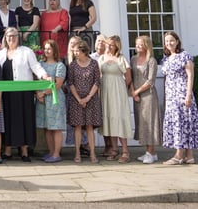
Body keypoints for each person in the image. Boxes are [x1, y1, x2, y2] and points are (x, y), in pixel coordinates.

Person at [0, 27, 50, 162]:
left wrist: (44, 76)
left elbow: (36, 67)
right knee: (8, 120)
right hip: (7, 94)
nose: (11, 38)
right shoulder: (0, 54)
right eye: (9, 36)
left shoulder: (27, 52)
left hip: (23, 93)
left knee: (24, 120)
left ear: (18, 37)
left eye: (14, 35)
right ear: (5, 38)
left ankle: (24, 151)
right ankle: (7, 150)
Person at [161, 31, 198, 165]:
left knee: (183, 123)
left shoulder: (184, 56)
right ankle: (189, 156)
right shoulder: (166, 59)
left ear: (177, 41)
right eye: (167, 41)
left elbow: (190, 76)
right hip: (171, 95)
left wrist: (188, 95)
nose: (169, 43)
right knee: (179, 123)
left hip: (181, 93)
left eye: (171, 40)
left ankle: (179, 155)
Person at [98, 35, 133, 163]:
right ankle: (114, 149)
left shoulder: (121, 58)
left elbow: (128, 77)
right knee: (109, 118)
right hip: (105, 90)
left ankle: (125, 151)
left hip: (118, 91)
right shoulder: (102, 58)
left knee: (119, 117)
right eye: (107, 44)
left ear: (117, 46)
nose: (108, 46)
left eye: (111, 45)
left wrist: (121, 89)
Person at [67, 39, 102, 163]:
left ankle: (93, 154)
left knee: (89, 127)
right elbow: (70, 83)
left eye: (77, 51)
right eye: (74, 51)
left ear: (84, 51)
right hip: (76, 100)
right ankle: (77, 153)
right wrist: (79, 99)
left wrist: (88, 97)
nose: (75, 53)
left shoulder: (93, 64)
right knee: (77, 127)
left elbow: (97, 82)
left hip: (91, 100)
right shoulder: (73, 65)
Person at [130, 35, 162, 164]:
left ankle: (151, 151)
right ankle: (149, 152)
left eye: (140, 44)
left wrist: (137, 91)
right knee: (141, 123)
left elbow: (150, 81)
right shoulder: (133, 59)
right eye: (136, 44)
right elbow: (130, 77)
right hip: (136, 96)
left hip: (148, 95)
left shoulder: (152, 60)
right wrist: (133, 92)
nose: (137, 46)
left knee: (150, 123)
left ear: (146, 45)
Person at [36, 40, 67, 163]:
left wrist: (44, 93)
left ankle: (56, 153)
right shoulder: (40, 64)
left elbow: (58, 84)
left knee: (56, 127)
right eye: (45, 48)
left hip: (54, 99)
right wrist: (38, 94)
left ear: (54, 50)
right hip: (41, 99)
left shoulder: (60, 65)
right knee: (46, 128)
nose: (46, 51)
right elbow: (37, 80)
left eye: (49, 48)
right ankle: (50, 152)